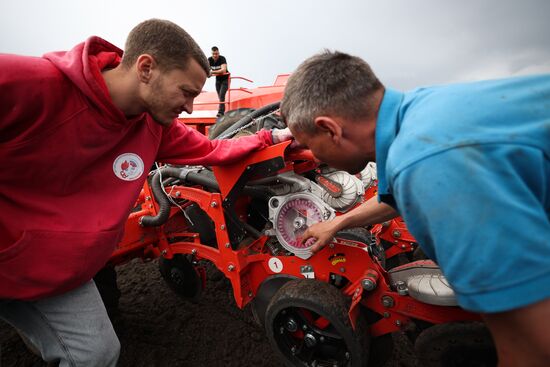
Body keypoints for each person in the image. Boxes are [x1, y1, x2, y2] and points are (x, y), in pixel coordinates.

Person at [0, 19, 289, 367]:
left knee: (98, 355)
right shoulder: (31, 83)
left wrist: (271, 138)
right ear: (146, 68)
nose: (188, 108)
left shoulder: (155, 127)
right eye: (185, 92)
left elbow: (213, 150)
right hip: (10, 259)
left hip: (59, 274)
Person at [281, 50, 550, 367]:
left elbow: (534, 344)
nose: (315, 158)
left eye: (310, 145)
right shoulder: (422, 116)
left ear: (330, 129)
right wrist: (337, 223)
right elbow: (392, 196)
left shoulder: (429, 165)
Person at [208, 46, 229, 117]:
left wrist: (212, 72)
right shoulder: (209, 60)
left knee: (222, 95)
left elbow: (223, 70)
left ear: (218, 53)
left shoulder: (222, 58)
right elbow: (207, 70)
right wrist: (208, 73)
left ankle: (221, 112)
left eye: (216, 54)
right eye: (213, 54)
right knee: (219, 96)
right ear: (211, 53)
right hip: (218, 80)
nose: (215, 55)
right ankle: (222, 110)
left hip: (225, 79)